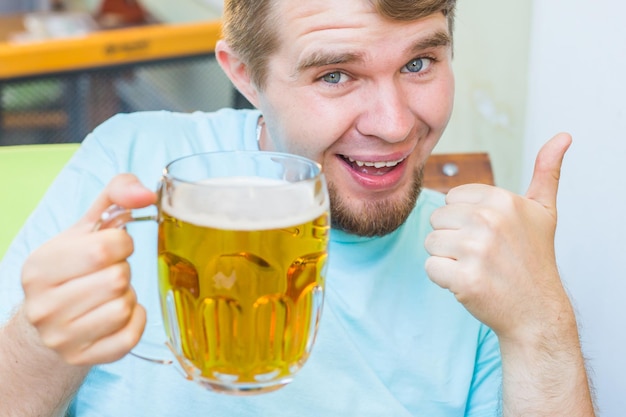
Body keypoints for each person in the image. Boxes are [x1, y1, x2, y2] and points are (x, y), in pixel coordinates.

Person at [0, 0, 596, 416]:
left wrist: (543, 328)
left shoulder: (485, 264)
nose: (393, 126)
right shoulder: (131, 159)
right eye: (336, 74)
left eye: (419, 63)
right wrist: (39, 343)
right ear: (246, 76)